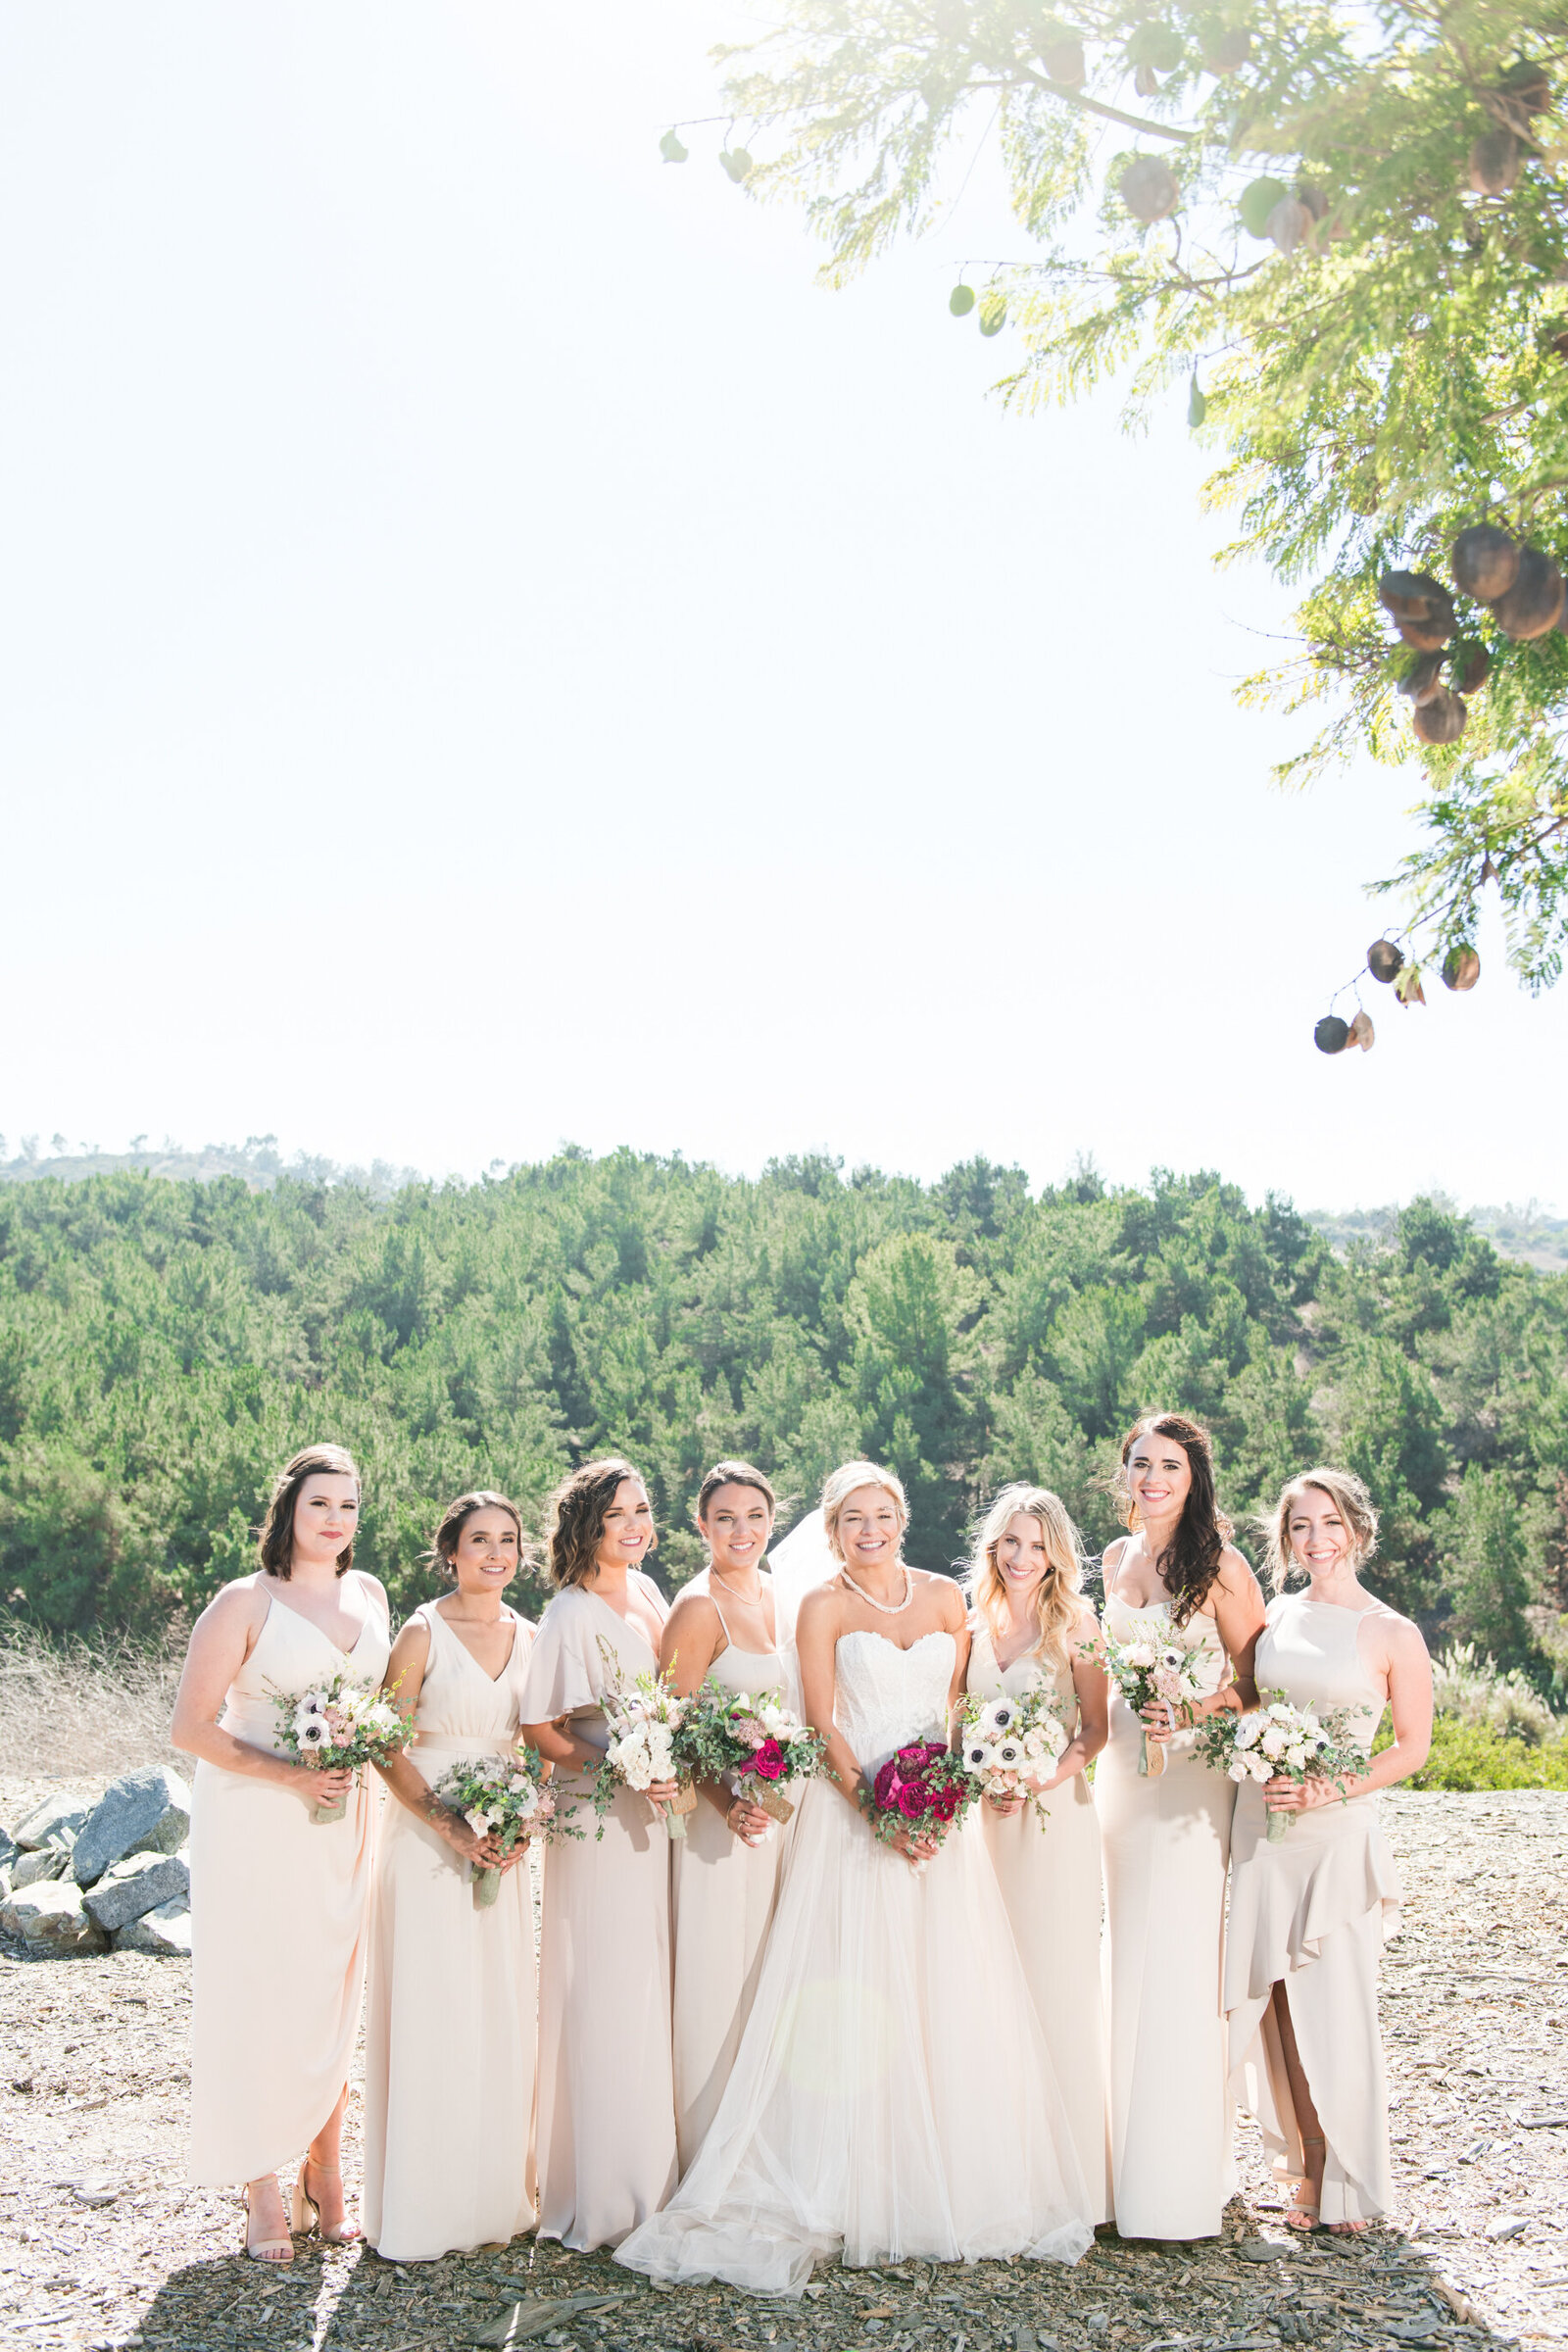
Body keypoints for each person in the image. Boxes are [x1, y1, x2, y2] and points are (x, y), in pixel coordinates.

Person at [614, 1460, 1093, 2295]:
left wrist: (938, 1803)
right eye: (851, 1520)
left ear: (902, 1518)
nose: (868, 1532)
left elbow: (953, 1718)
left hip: (938, 1827)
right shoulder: (821, 1605)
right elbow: (821, 1721)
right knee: (851, 1987)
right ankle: (846, 2172)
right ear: (831, 1530)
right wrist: (880, 1810)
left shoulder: (947, 1601)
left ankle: (946, 2167)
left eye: (881, 1516)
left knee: (945, 1986)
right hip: (856, 1818)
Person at [173, 1444, 390, 2262]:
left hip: (347, 1819)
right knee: (261, 1994)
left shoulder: (368, 1594)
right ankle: (261, 2184)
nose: (336, 1520)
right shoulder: (243, 1602)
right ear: (288, 1511)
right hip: (258, 1818)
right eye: (320, 1504)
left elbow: (386, 1705)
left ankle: (326, 2171)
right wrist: (292, 1776)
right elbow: (191, 1728)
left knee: (333, 1994)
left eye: (349, 1506)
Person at [1226, 1467, 1432, 2232]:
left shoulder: (1392, 1632)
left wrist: (1328, 1789)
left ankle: (1352, 2178)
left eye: (1329, 1523)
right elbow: (1245, 1698)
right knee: (1271, 2006)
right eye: (1300, 1527)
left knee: (1338, 2006)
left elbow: (1412, 1748)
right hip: (1264, 1825)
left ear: (1357, 1528)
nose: (1316, 1539)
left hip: (1337, 1830)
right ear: (1286, 1539)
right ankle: (1304, 2166)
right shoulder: (1275, 1615)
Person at [1097, 1412, 1265, 2241]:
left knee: (1181, 1955)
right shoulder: (1112, 1559)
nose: (1153, 1478)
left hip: (1193, 1776)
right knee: (1126, 1951)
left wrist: (1195, 1709)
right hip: (1122, 1779)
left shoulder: (1222, 1566)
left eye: (1169, 1465)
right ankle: (1120, 2160)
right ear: (1124, 1475)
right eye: (1140, 1464)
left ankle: (1175, 2177)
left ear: (1194, 1478)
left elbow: (1258, 1680)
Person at [362, 1491, 540, 2261]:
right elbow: (383, 1741)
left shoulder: (533, 1636)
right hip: (429, 1838)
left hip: (502, 1836)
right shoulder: (421, 1630)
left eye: (506, 1540)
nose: (494, 1553)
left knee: (497, 2010)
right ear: (451, 1553)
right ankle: (425, 2208)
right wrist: (446, 1821)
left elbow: (534, 1745)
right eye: (479, 1540)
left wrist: (521, 1821)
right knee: (435, 2009)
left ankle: (494, 2198)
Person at [517, 1458, 677, 2250]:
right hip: (600, 1816)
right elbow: (542, 1729)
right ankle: (609, 2193)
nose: (638, 1526)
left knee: (651, 1981)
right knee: (609, 1986)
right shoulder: (570, 1614)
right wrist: (615, 1764)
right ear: (588, 1525)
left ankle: (656, 2171)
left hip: (656, 1810)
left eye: (644, 1510)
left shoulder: (649, 1593)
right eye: (620, 1515)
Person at [964, 1483, 1112, 2224]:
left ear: (1057, 1553)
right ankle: (996, 2172)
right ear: (994, 1545)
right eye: (1011, 1542)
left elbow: (1095, 1730)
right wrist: (979, 1780)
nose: (1023, 1558)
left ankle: (1071, 2180)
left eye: (1038, 1543)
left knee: (1054, 1984)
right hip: (981, 1825)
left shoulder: (1077, 1623)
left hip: (1053, 1821)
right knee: (987, 1985)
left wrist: (1037, 1778)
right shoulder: (968, 1624)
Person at [661, 1461, 793, 2174]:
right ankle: (709, 2151)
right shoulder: (696, 1609)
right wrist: (728, 1802)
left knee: (773, 1970)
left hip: (782, 1820)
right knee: (719, 1975)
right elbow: (671, 1730)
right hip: (721, 1825)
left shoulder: (783, 1594)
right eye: (725, 1519)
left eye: (754, 1517)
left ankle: (771, 2135)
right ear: (701, 1526)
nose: (742, 1531)